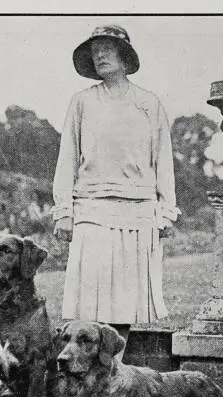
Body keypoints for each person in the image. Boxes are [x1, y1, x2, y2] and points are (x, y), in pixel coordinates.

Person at [52, 24, 179, 350]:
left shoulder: (148, 104)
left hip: (136, 211)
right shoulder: (81, 102)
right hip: (92, 207)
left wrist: (166, 212)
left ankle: (115, 371)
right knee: (91, 299)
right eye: (95, 52)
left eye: (107, 49)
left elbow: (163, 161)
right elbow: (67, 159)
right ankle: (85, 374)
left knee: (124, 301)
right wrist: (64, 211)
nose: (100, 56)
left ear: (125, 56)